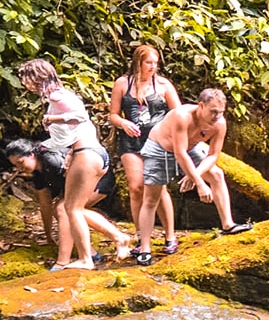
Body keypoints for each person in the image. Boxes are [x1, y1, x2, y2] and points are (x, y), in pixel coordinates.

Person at [135, 88, 252, 266]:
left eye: (220, 113)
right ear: (201, 106)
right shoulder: (182, 116)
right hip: (160, 148)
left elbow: (213, 155)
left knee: (217, 175)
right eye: (213, 112)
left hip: (191, 148)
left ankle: (228, 223)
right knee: (151, 198)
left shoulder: (220, 123)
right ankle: (144, 248)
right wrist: (199, 183)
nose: (216, 116)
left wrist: (195, 175)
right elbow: (179, 152)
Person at [18, 59, 111, 269]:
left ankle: (87, 258)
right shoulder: (58, 96)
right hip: (89, 152)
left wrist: (52, 119)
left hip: (87, 154)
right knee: (69, 208)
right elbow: (79, 130)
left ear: (36, 78)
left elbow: (81, 116)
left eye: (26, 80)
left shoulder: (56, 95)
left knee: (72, 209)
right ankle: (85, 256)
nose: (25, 85)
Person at [6, 139, 132, 270]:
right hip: (85, 181)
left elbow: (77, 181)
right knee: (63, 209)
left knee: (66, 209)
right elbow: (45, 205)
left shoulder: (52, 159)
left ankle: (64, 261)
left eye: (21, 162)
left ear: (31, 155)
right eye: (16, 165)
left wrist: (61, 261)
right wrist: (48, 236)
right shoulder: (38, 174)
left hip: (98, 178)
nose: (20, 168)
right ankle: (93, 253)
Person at [109, 45, 180, 256]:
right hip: (131, 142)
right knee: (136, 187)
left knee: (159, 188)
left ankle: (170, 236)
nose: (153, 67)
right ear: (138, 62)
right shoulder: (123, 83)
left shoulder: (163, 85)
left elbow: (179, 113)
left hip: (158, 143)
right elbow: (113, 114)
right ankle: (142, 236)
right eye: (149, 62)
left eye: (155, 63)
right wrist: (123, 123)